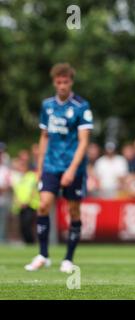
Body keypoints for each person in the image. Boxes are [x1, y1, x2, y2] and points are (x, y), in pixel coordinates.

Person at [24, 63, 93, 273]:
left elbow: (83, 141)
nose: (62, 86)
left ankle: (68, 259)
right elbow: (44, 136)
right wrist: (39, 166)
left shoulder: (82, 106)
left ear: (71, 82)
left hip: (74, 167)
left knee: (73, 210)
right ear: (54, 82)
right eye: (58, 82)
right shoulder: (47, 106)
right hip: (51, 165)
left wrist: (72, 169)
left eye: (66, 82)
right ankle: (43, 255)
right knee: (43, 205)